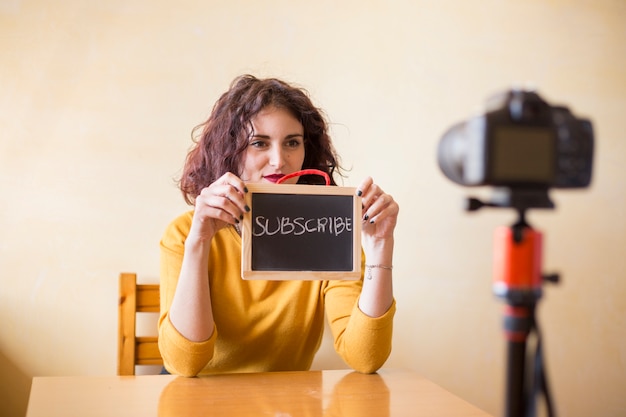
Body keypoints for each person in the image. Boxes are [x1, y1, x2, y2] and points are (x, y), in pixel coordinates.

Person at [158, 75, 399, 377]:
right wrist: (199, 242)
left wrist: (380, 248)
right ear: (228, 150)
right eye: (259, 143)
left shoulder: (333, 234)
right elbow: (184, 364)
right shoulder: (184, 233)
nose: (278, 161)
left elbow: (366, 357)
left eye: (292, 143)